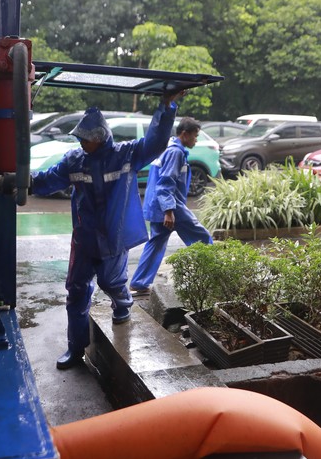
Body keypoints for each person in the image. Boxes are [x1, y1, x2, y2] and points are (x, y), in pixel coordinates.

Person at [30, 91, 183, 370]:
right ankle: (75, 350)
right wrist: (21, 181)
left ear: (100, 137)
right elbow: (47, 180)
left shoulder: (126, 155)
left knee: (110, 283)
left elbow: (156, 142)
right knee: (76, 291)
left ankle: (122, 305)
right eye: (79, 138)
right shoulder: (74, 160)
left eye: (85, 138)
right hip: (85, 239)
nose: (81, 142)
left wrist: (166, 107)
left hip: (113, 238)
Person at [129, 117, 213, 296]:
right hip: (170, 207)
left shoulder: (167, 149)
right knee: (202, 238)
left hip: (160, 205)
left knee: (156, 243)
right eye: (195, 136)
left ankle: (139, 282)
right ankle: (212, 277)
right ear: (185, 134)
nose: (196, 140)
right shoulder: (175, 152)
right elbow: (165, 183)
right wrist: (169, 212)